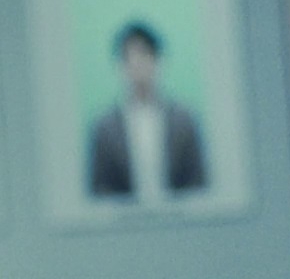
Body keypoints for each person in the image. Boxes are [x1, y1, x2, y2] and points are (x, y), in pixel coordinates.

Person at [86, 22, 206, 202]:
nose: (137, 64)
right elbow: (100, 189)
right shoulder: (104, 127)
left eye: (144, 55)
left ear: (157, 60)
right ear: (120, 65)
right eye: (129, 58)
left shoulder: (184, 120)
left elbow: (197, 182)